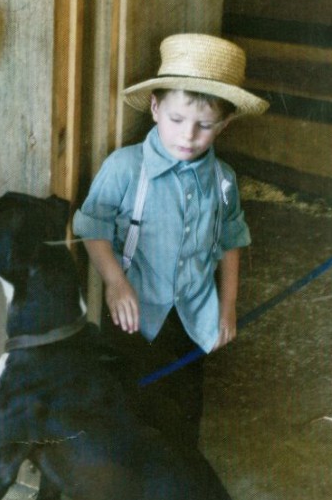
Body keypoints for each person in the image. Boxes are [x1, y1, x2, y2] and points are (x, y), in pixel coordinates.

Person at [73, 33, 269, 452]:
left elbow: (231, 244)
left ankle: (174, 493)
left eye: (205, 125)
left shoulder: (223, 181)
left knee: (183, 411)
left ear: (225, 124)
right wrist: (115, 282)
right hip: (133, 316)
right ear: (156, 107)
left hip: (194, 318)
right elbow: (92, 227)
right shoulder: (126, 167)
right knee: (127, 409)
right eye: (177, 119)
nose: (188, 135)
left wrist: (227, 307)